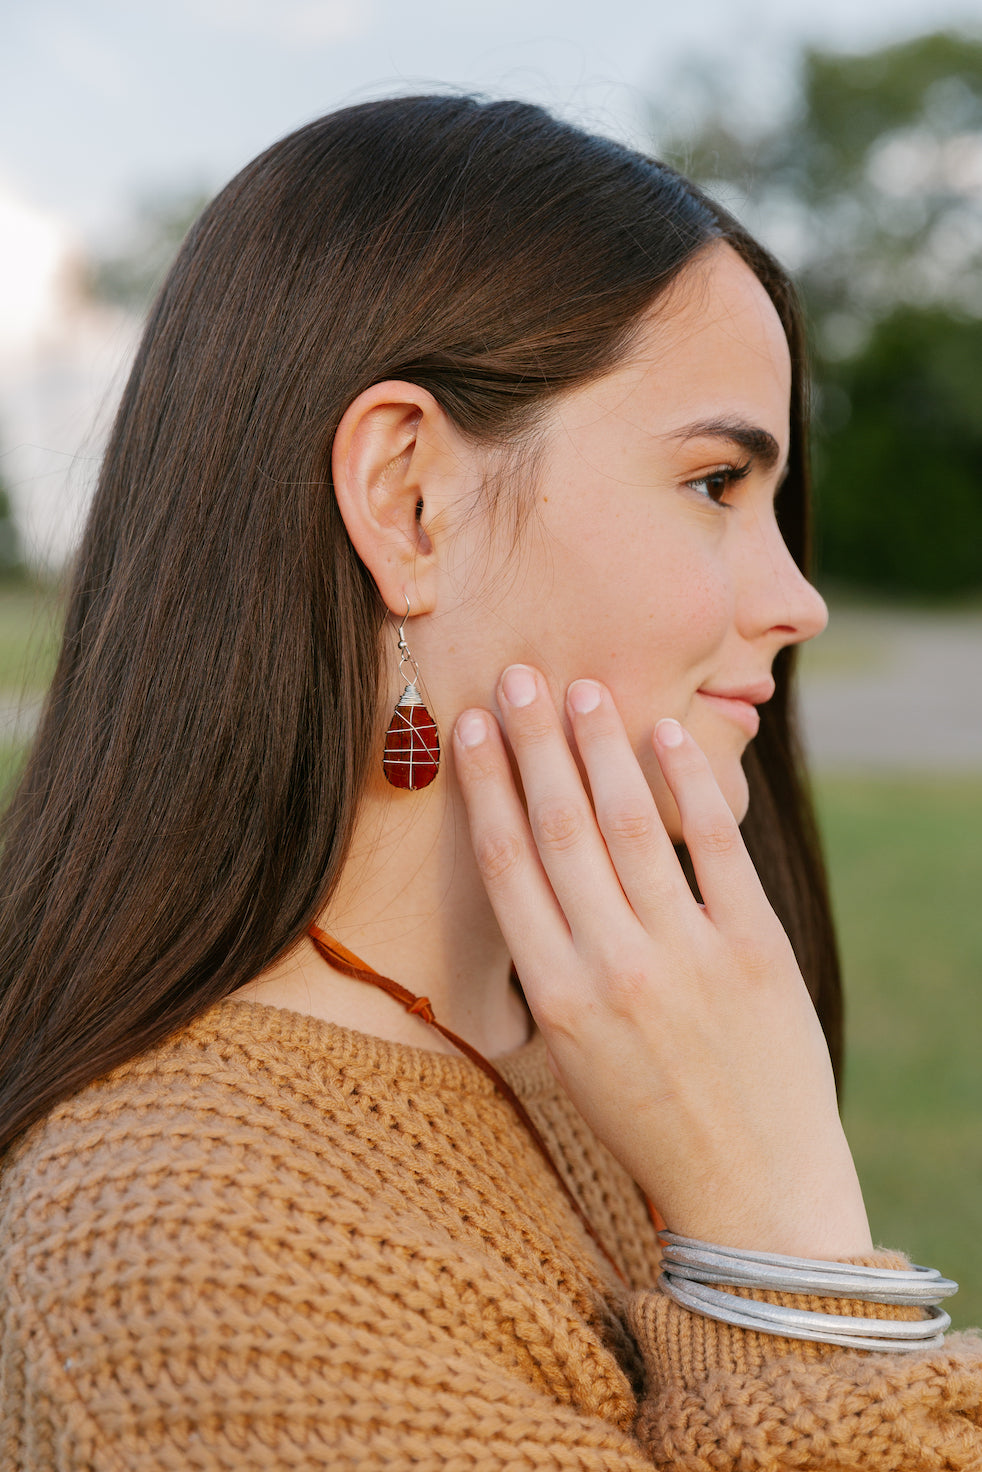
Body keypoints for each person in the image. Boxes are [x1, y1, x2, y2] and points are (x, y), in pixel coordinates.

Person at [0, 95, 978, 1470]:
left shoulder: (617, 1059)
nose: (798, 600)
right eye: (711, 482)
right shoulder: (189, 1264)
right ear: (408, 501)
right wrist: (781, 1241)